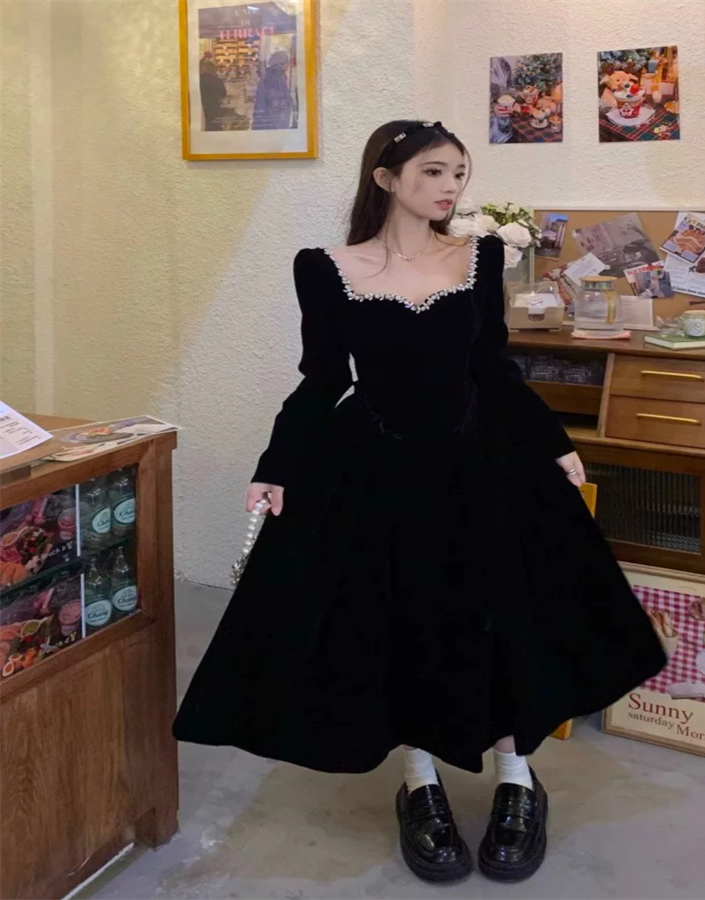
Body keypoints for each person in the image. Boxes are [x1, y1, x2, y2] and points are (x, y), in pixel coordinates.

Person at [173, 120, 665, 885]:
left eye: (459, 173)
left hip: (483, 463)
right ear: (385, 177)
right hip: (375, 466)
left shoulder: (481, 257)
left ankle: (516, 779)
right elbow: (322, 377)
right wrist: (278, 464)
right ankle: (419, 780)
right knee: (395, 618)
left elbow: (492, 367)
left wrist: (550, 441)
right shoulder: (325, 267)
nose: (450, 187)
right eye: (434, 171)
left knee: (502, 613)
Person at [252, 49, 292, 130]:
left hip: (264, 121)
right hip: (270, 123)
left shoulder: (270, 75)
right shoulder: (276, 77)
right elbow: (276, 100)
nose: (288, 65)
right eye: (287, 63)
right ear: (281, 64)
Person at [198, 59, 226, 132]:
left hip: (202, 107)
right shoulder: (217, 80)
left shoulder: (198, 80)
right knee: (215, 127)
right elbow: (223, 93)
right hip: (215, 106)